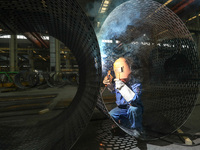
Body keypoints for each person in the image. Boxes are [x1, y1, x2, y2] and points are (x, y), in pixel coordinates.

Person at [103, 57, 143, 137]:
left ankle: (136, 129)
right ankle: (122, 126)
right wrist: (109, 84)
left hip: (131, 108)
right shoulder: (118, 82)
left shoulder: (136, 84)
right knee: (112, 114)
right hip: (121, 108)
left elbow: (134, 100)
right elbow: (114, 90)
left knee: (134, 109)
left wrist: (121, 85)